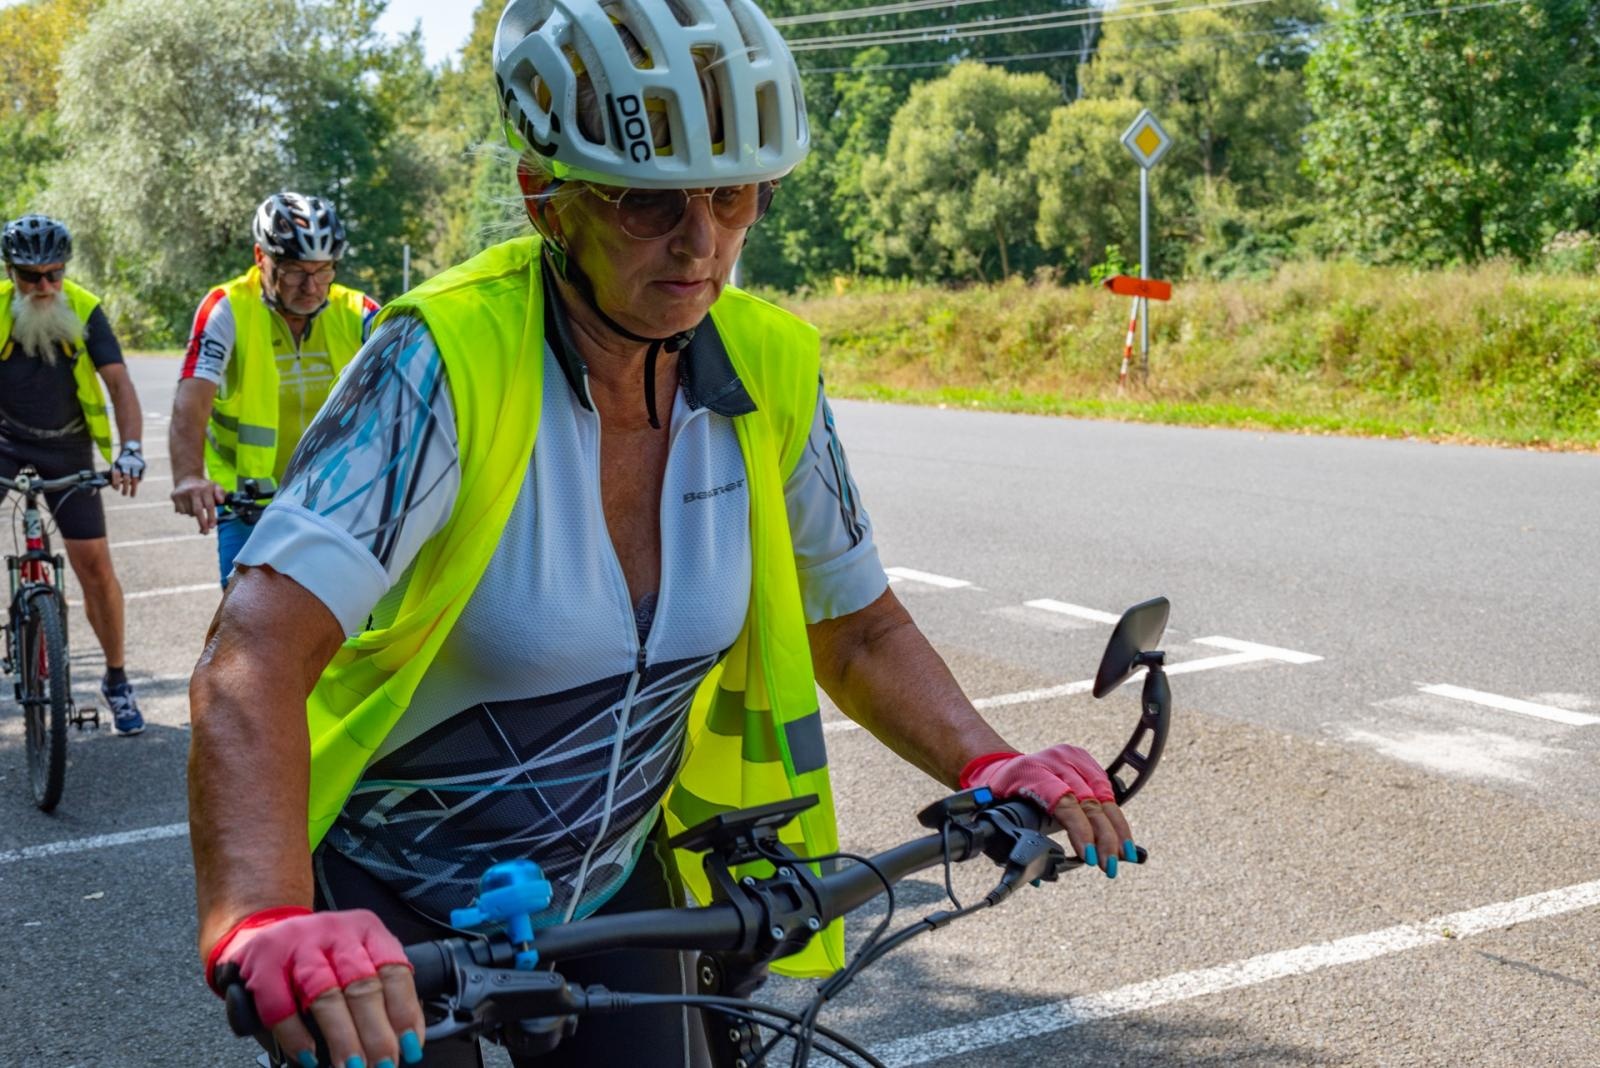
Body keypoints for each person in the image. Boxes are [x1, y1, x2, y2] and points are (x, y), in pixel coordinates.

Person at [187, 3, 1140, 1066]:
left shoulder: (768, 364)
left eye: (733, 196)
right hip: (382, 901)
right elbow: (253, 657)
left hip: (613, 886)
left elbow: (857, 627)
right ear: (545, 197)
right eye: (648, 205)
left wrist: (989, 761)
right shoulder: (440, 363)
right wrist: (262, 912)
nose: (703, 244)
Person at [168, 192, 379, 586]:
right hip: (250, 501)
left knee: (360, 619)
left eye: (324, 270)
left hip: (334, 497)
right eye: (296, 271)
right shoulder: (227, 307)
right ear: (260, 257)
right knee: (244, 619)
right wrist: (189, 477)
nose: (312, 286)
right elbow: (191, 399)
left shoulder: (359, 311)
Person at [1, 214, 147, 735]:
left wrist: (130, 449)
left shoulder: (84, 309)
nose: (44, 287)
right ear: (11, 273)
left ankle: (117, 679)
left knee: (94, 566)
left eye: (53, 275)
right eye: (30, 276)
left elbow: (119, 385)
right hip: (4, 441)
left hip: (67, 447)